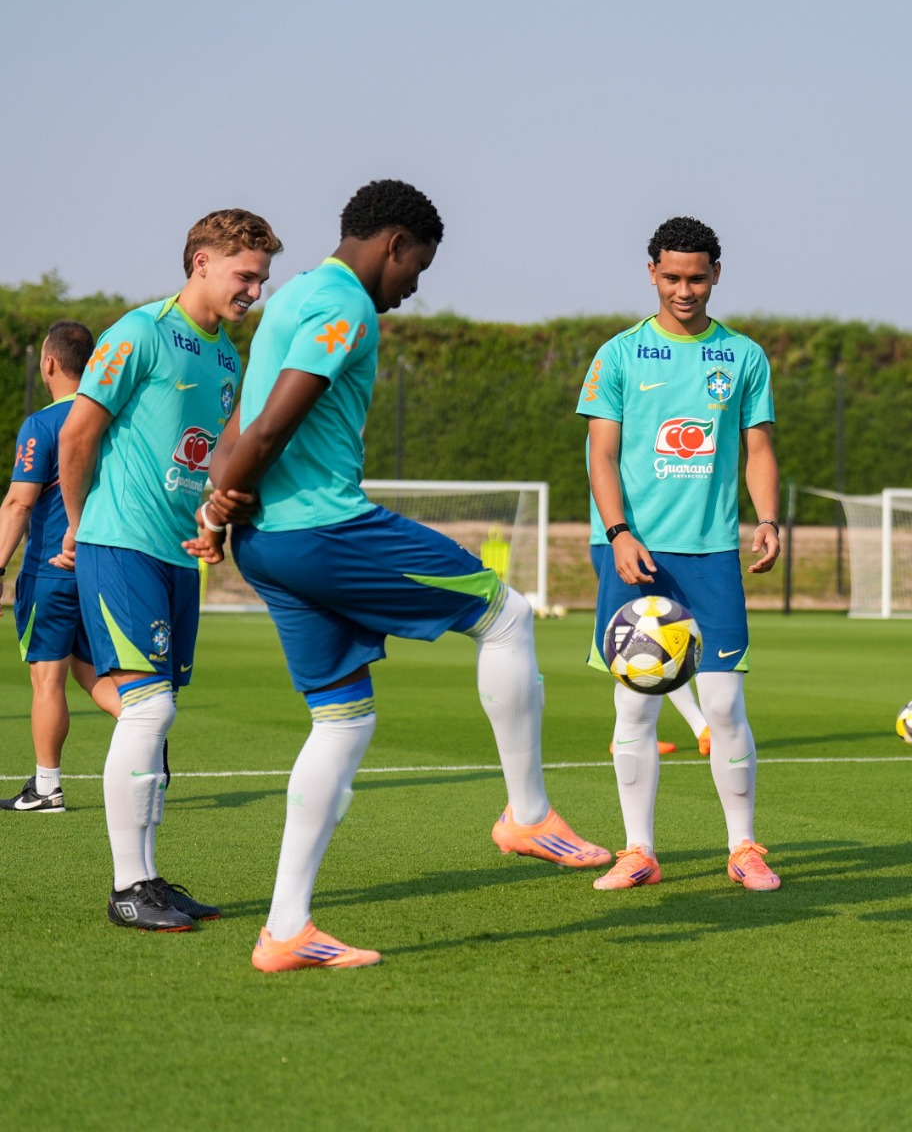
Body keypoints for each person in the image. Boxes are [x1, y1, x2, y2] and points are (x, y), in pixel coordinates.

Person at [202, 179, 609, 974]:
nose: (412, 290)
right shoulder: (346, 303)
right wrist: (220, 508)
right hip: (323, 529)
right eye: (416, 269)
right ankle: (527, 814)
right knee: (508, 614)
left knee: (343, 720)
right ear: (393, 243)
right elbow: (277, 421)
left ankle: (286, 929)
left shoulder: (292, 298)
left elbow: (239, 426)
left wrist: (220, 508)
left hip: (269, 545)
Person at [55, 209, 281, 930]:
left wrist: (214, 520)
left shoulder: (226, 358)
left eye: (263, 278)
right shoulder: (139, 332)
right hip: (120, 544)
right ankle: (127, 887)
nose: (255, 290)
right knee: (148, 707)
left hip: (176, 558)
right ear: (201, 263)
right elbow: (78, 432)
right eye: (246, 275)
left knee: (159, 714)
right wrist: (83, 522)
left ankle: (149, 877)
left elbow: (212, 457)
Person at [578, 215, 783, 892]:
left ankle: (744, 846)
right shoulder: (619, 354)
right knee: (635, 708)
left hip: (711, 553)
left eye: (697, 277)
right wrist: (618, 533)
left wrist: (769, 517)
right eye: (672, 277)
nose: (684, 289)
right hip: (634, 553)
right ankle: (638, 850)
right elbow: (600, 454)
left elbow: (758, 449)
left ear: (717, 273)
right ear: (652, 274)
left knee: (724, 706)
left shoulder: (744, 356)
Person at [1, 321, 120, 811]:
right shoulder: (113, 418)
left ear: (48, 362)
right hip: (102, 567)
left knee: (46, 677)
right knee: (88, 668)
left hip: (51, 568)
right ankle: (146, 727)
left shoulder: (44, 423)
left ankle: (47, 787)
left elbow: (18, 504)